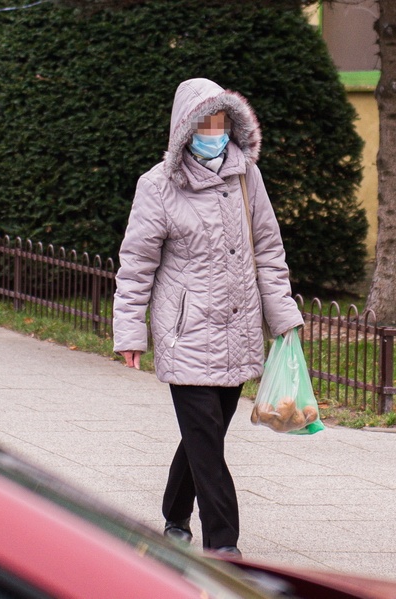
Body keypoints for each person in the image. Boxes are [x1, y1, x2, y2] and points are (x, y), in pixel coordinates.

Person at [113, 78, 304, 557]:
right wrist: (130, 331)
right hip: (186, 333)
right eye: (203, 123)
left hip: (238, 331)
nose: (213, 131)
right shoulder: (157, 185)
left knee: (206, 435)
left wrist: (283, 318)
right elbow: (136, 266)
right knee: (206, 441)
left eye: (220, 121)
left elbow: (268, 248)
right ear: (184, 129)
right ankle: (225, 546)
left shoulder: (246, 176)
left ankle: (175, 516)